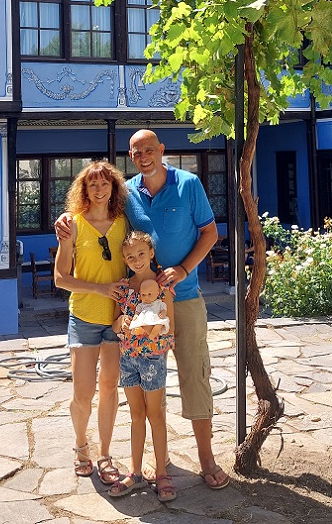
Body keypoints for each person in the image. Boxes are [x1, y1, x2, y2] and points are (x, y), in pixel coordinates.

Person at [56, 129, 228, 490]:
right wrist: (64, 221)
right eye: (136, 152)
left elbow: (210, 233)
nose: (144, 156)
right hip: (140, 312)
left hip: (184, 299)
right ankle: (157, 460)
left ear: (161, 150)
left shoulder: (188, 184)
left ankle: (206, 459)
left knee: (194, 377)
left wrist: (182, 270)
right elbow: (92, 213)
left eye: (150, 149)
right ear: (130, 157)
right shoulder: (128, 194)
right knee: (150, 388)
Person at [52, 160, 129, 486]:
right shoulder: (73, 225)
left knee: (110, 388)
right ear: (84, 189)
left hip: (115, 320)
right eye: (92, 184)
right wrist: (99, 288)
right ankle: (82, 447)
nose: (99, 189)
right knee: (83, 393)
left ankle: (105, 454)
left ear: (113, 188)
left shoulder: (123, 222)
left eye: (104, 184)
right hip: (83, 317)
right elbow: (60, 278)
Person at [106, 231, 177, 501]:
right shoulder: (123, 289)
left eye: (141, 254)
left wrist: (150, 330)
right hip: (128, 360)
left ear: (151, 254)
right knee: (136, 414)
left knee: (155, 414)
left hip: (153, 359)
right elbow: (115, 325)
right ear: (124, 259)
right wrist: (122, 324)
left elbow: (170, 328)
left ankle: (161, 473)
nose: (136, 260)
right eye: (130, 256)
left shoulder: (162, 289)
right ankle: (135, 472)